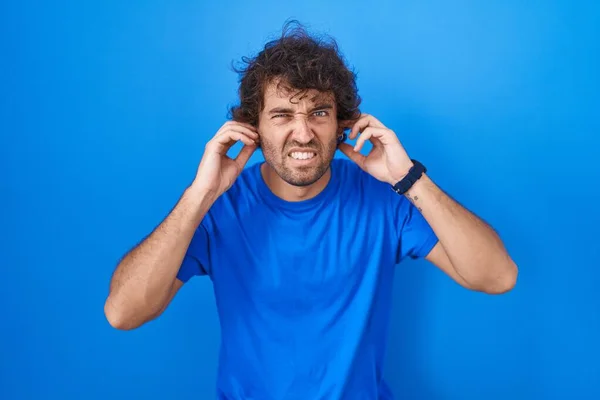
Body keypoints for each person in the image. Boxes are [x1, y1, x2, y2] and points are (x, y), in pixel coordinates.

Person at [104, 21, 518, 400]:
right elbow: (123, 313)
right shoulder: (218, 210)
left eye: (318, 112)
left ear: (342, 124)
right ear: (254, 127)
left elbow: (497, 277)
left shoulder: (384, 200)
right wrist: (199, 195)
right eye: (282, 115)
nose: (302, 133)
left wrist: (408, 177)